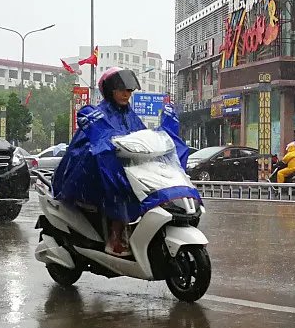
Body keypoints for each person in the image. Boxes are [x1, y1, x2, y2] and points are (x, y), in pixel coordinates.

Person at [51, 68, 192, 258]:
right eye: (121, 90)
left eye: (129, 91)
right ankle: (115, 238)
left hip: (127, 167)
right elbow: (92, 145)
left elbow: (143, 137)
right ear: (110, 91)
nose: (126, 94)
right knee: (121, 191)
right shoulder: (99, 114)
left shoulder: (130, 116)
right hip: (92, 173)